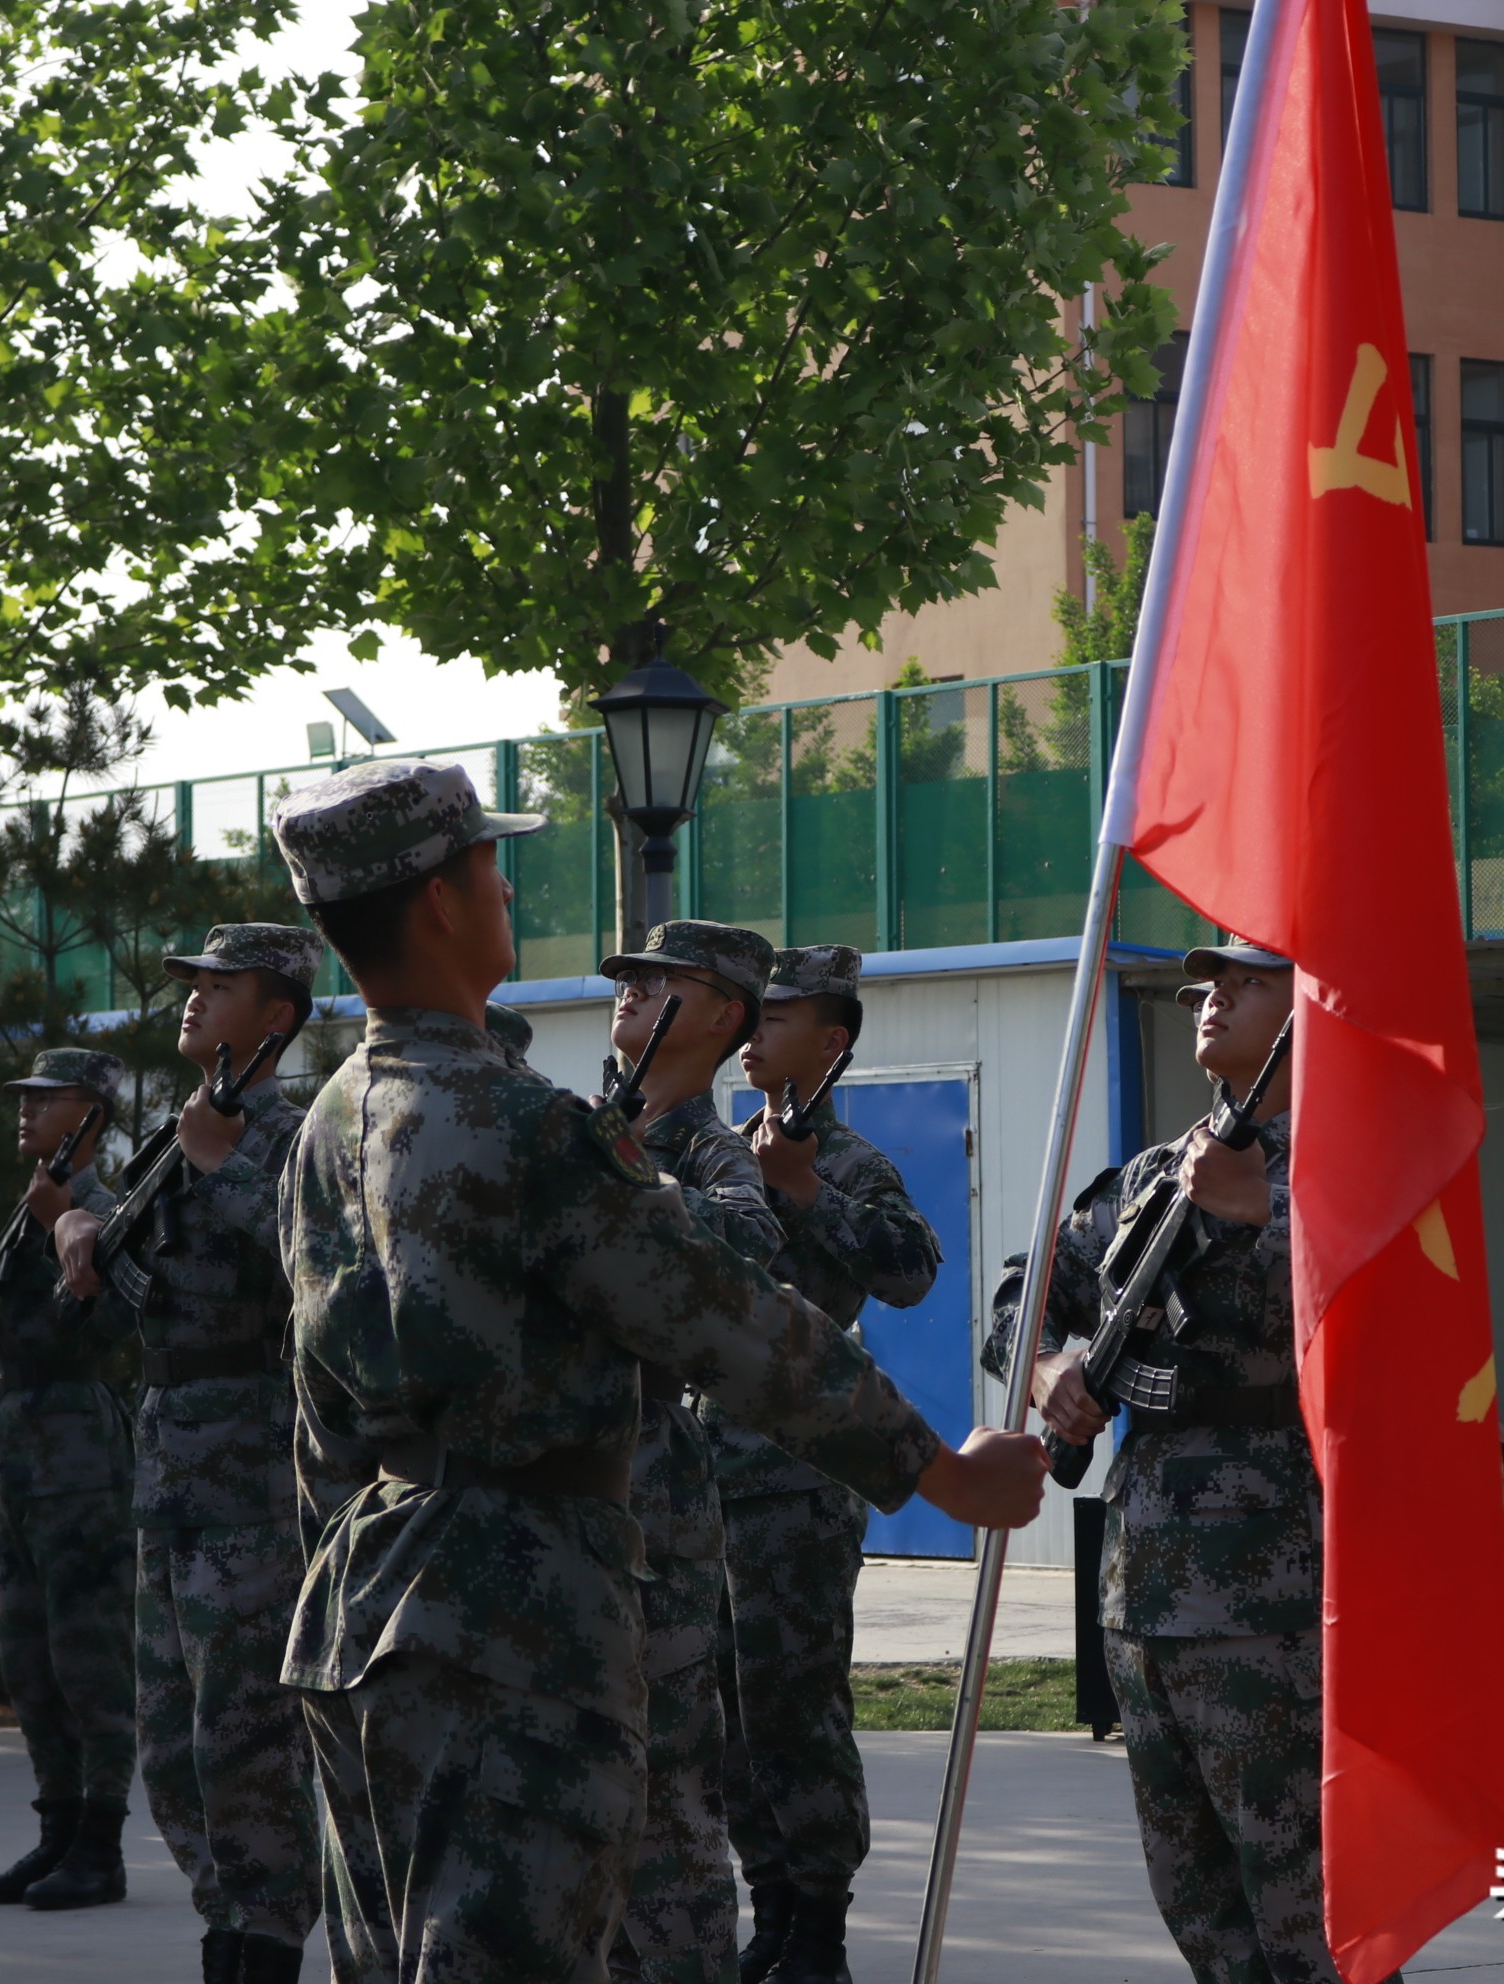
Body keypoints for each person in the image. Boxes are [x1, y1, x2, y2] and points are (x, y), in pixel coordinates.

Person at [269, 759, 1047, 1984]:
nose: (507, 885)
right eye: (486, 866)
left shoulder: (332, 1116)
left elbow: (317, 1417)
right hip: (518, 1621)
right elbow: (729, 1320)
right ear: (435, 904)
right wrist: (944, 1472)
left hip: (364, 1611)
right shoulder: (523, 1123)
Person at [983, 942, 1360, 1984]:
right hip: (1142, 1587)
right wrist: (1049, 1369)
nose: (1215, 997)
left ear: (1308, 1012)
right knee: (1197, 1903)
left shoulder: (1352, 1166)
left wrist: (1258, 1211)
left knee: (1307, 1913)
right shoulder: (1151, 1176)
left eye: (1248, 982)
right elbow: (1022, 1293)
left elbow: (1383, 1325)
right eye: (1208, 984)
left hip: (1274, 1589)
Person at [54, 925, 323, 1984]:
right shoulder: (174, 1140)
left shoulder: (296, 1134)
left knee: (246, 1740)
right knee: (172, 1748)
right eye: (192, 982)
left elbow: (323, 1271)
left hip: (255, 1477)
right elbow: (143, 1309)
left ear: (278, 1015)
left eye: (222, 984)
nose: (195, 998)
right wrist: (81, 1241)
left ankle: (263, 1944)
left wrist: (219, 1171)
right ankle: (227, 1927)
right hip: (171, 1471)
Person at [721, 944, 939, 1984]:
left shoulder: (849, 1164)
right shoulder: (714, 1151)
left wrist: (805, 1192)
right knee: (721, 1715)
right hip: (700, 1480)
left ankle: (819, 1926)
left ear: (831, 1040)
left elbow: (911, 1272)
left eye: (776, 1016)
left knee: (795, 1710)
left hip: (796, 1485)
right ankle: (768, 1907)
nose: (752, 1032)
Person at [597, 919, 782, 1984]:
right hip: (540, 1508)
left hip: (647, 1503)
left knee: (666, 1804)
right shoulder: (567, 1124)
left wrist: (629, 1189)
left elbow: (748, 1251)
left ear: (722, 1017)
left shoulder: (713, 1155)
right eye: (627, 975)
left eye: (664, 981)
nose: (633, 990)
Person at [0, 1048, 139, 1910]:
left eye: (46, 1100)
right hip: (23, 1457)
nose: (25, 1112)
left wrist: (57, 1224)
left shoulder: (105, 1209)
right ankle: (56, 1834)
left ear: (92, 1117)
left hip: (81, 1459)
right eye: (22, 1099)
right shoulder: (32, 1203)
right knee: (29, 1661)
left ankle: (100, 1845)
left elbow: (100, 1325)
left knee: (88, 1659)